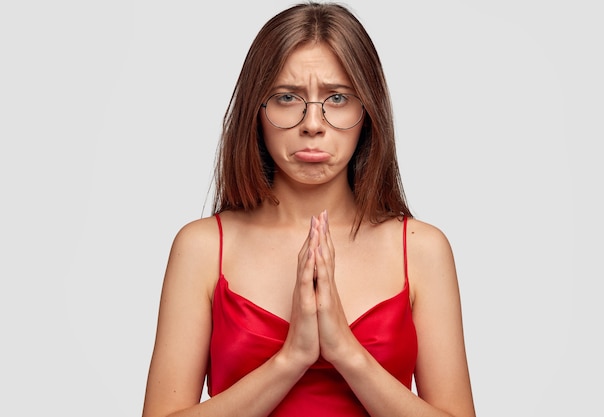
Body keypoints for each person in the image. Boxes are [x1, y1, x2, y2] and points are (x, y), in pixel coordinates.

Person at [142, 2, 475, 417]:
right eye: (286, 97)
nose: (312, 123)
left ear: (367, 112)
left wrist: (346, 353)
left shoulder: (422, 249)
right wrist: (291, 359)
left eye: (337, 97)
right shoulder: (203, 247)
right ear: (255, 112)